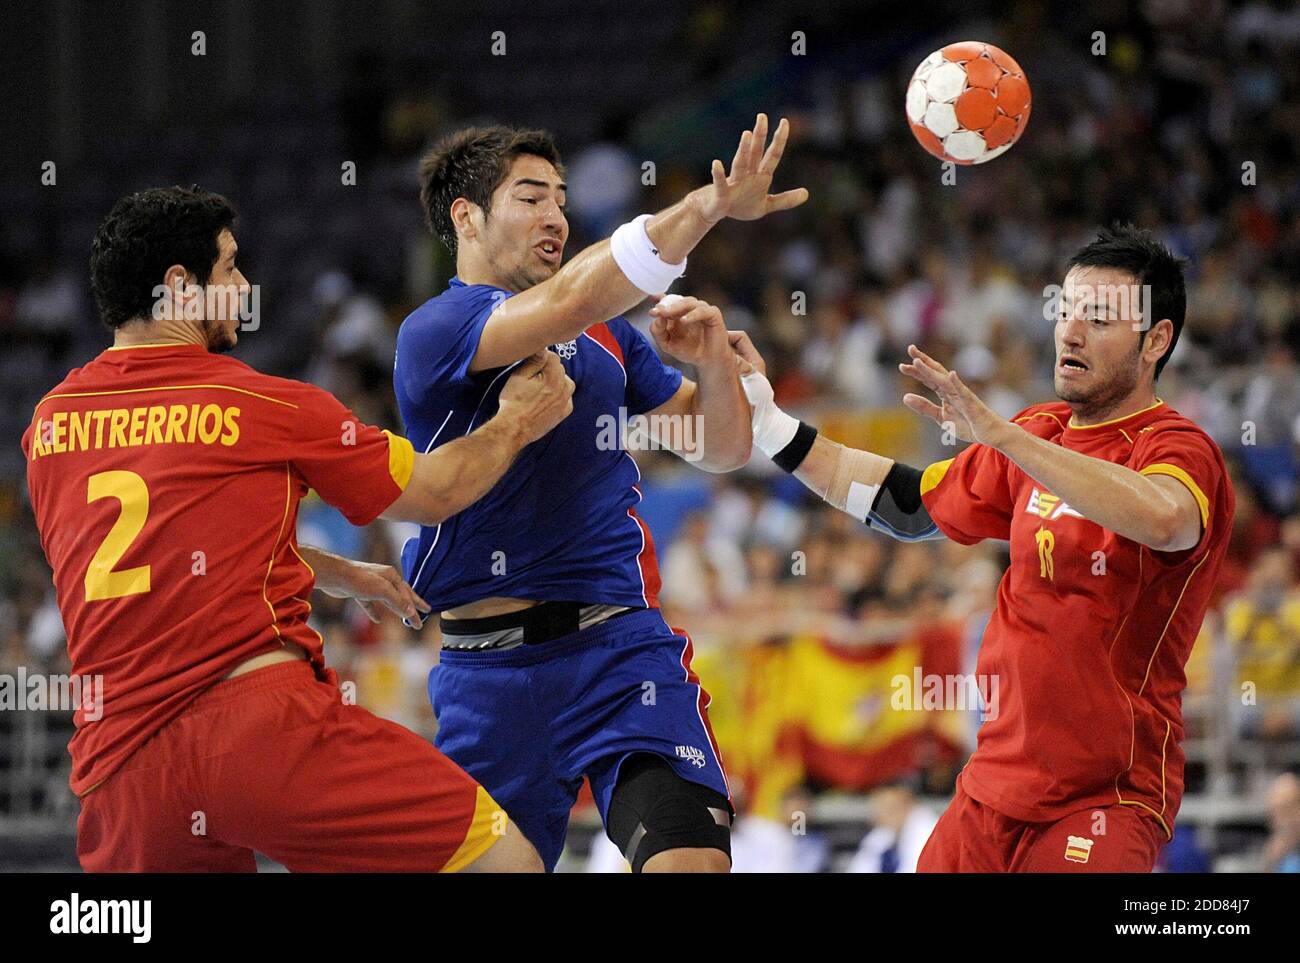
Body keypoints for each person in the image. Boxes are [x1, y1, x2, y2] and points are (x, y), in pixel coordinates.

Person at [22, 186, 575, 872]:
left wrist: (336, 572)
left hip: (122, 769)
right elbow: (435, 492)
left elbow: (165, 559)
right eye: (228, 268)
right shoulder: (261, 403)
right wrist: (517, 419)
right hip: (258, 734)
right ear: (178, 286)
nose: (245, 284)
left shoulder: (49, 424)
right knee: (505, 858)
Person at [736, 224, 1235, 872]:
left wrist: (1006, 439)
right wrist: (770, 423)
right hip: (991, 787)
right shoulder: (1037, 432)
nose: (1071, 332)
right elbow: (908, 505)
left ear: (1156, 340)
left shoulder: (1177, 446)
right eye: (1066, 310)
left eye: (1101, 318)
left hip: (1105, 797)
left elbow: (1165, 518)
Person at [396, 115, 806, 871]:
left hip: (619, 655)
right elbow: (567, 302)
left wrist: (715, 365)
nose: (555, 214)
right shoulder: (438, 330)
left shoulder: (604, 336)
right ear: (467, 217)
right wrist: (704, 207)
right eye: (530, 198)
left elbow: (718, 445)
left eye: (559, 197)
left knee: (693, 864)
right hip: (486, 681)